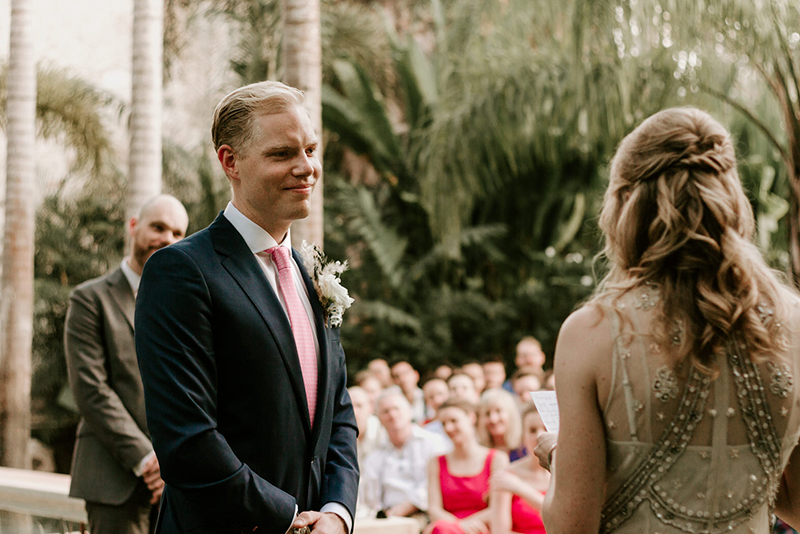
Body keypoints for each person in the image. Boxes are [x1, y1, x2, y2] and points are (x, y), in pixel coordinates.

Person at [534, 108, 800, 533]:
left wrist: (557, 458)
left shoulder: (591, 332)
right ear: (732, 199)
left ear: (626, 204)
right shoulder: (794, 323)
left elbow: (572, 525)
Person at [135, 81, 359, 534]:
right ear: (230, 161)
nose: (307, 168)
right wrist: (287, 518)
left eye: (311, 149)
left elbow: (339, 416)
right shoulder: (181, 271)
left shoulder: (308, 272)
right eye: (282, 154)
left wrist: (337, 512)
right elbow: (187, 439)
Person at [65, 194, 188, 534]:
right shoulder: (90, 299)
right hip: (113, 480)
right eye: (158, 227)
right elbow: (91, 389)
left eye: (178, 233)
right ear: (133, 227)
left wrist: (177, 463)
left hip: (176, 485)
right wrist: (148, 460)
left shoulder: (185, 306)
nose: (167, 239)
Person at [360, 389, 449, 522]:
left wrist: (406, 507)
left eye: (396, 408)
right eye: (386, 411)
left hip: (427, 514)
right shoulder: (374, 457)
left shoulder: (433, 442)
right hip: (388, 519)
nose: (392, 414)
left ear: (409, 412)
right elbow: (371, 498)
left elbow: (437, 482)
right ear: (379, 418)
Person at [425, 398, 509, 534]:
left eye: (453, 421)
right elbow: (434, 509)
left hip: (482, 529)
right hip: (446, 529)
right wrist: (460, 526)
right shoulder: (436, 462)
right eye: (444, 424)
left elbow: (498, 507)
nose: (448, 428)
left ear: (471, 418)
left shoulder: (496, 459)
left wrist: (465, 525)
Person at [490, 404, 549, 534]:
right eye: (532, 430)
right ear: (523, 436)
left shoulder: (567, 475)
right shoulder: (506, 475)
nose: (539, 435)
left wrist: (520, 488)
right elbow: (500, 532)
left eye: (545, 428)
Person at [476, 389, 523, 461]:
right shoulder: (479, 452)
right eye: (487, 414)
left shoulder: (524, 449)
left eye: (498, 411)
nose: (493, 419)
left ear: (511, 414)